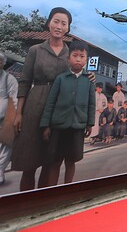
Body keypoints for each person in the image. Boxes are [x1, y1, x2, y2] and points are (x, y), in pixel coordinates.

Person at [13, 7, 73, 191]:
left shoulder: (70, 54)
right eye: (56, 21)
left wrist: (90, 77)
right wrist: (19, 113)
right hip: (34, 105)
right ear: (49, 23)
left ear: (68, 28)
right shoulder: (35, 50)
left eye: (64, 23)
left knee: (50, 161)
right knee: (29, 161)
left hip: (58, 108)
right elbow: (25, 81)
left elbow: (76, 77)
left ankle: (42, 200)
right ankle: (25, 201)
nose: (59, 26)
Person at [39, 40, 95, 186]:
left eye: (82, 56)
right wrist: (46, 125)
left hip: (77, 127)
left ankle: (67, 188)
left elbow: (91, 103)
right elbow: (50, 102)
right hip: (58, 127)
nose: (78, 59)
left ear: (86, 59)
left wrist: (90, 123)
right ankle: (51, 190)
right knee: (55, 161)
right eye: (75, 55)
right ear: (69, 58)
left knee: (71, 161)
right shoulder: (61, 78)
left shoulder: (89, 81)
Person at [0, 53, 18, 185]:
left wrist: (14, 117)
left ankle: (0, 172)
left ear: (3, 63)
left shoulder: (9, 79)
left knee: (6, 147)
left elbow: (15, 99)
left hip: (5, 119)